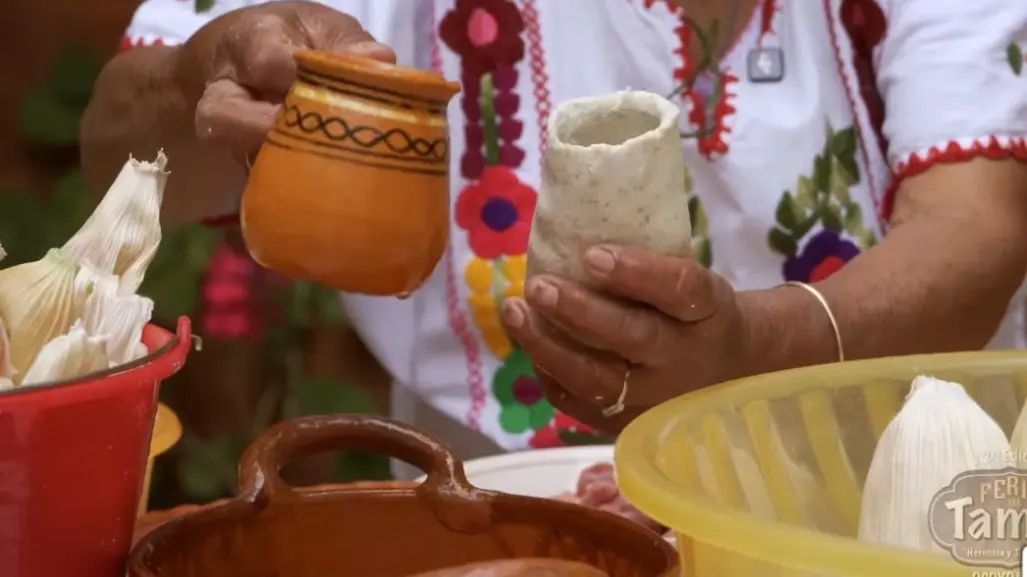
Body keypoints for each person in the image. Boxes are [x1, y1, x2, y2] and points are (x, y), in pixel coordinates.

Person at [82, 0, 1027, 476]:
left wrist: (757, 346)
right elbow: (114, 146)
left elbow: (975, 225)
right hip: (492, 500)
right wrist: (205, 75)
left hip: (886, 484)